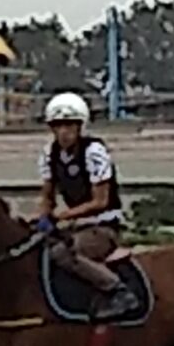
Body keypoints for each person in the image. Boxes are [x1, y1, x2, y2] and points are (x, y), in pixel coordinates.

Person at [34, 91, 139, 320]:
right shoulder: (49, 154)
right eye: (58, 126)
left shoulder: (94, 152)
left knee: (63, 255)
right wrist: (41, 217)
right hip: (74, 226)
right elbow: (47, 196)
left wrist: (62, 216)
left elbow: (100, 201)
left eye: (69, 125)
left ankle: (118, 290)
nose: (64, 132)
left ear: (80, 126)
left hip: (103, 226)